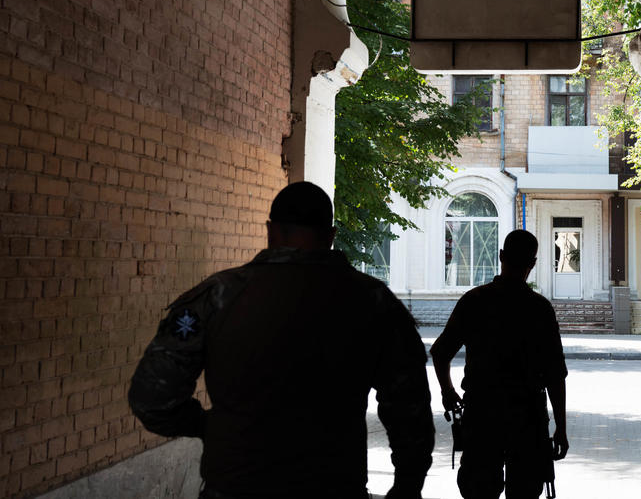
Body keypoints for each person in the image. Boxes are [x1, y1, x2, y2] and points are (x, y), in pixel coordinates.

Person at [128, 181, 433, 499]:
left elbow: (151, 398)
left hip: (236, 485)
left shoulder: (218, 297)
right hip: (333, 486)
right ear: (330, 236)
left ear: (270, 230)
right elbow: (409, 408)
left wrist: (211, 426)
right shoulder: (374, 302)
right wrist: (407, 486)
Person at [430, 230, 568, 499]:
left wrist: (448, 393)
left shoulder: (475, 302)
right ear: (534, 262)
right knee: (525, 492)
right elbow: (555, 376)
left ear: (501, 256)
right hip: (527, 420)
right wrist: (560, 429)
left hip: (483, 417)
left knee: (479, 490)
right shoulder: (539, 310)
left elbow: (440, 353)